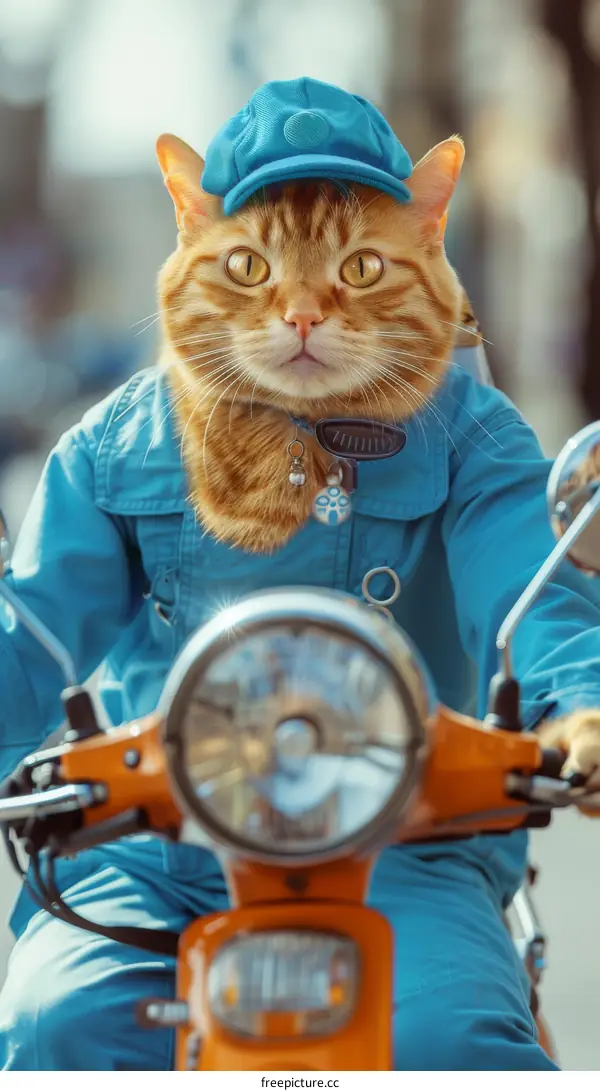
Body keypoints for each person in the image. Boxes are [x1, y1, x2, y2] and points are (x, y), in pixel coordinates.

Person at [1, 77, 600, 1072]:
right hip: (152, 842)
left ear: (428, 241)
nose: (304, 311)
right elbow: (32, 635)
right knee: (57, 1028)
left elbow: (535, 602)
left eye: (361, 267)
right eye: (247, 266)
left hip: (406, 841)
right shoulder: (118, 445)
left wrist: (585, 707)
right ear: (188, 244)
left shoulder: (472, 434)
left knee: (457, 1042)